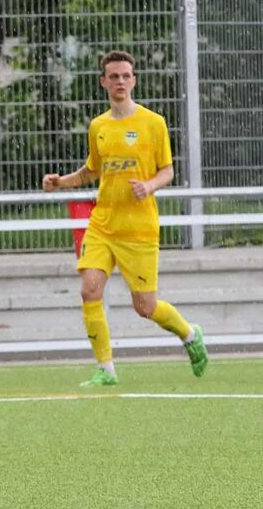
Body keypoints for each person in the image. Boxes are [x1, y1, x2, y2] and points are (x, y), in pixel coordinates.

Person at [42, 49, 209, 387]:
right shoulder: (99, 126)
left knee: (145, 307)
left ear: (133, 80)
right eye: (113, 76)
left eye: (125, 76)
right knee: (90, 290)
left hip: (139, 229)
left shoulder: (153, 123)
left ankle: (190, 334)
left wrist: (148, 185)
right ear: (103, 82)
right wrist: (61, 182)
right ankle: (106, 368)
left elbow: (168, 171)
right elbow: (92, 171)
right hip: (103, 224)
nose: (120, 81)